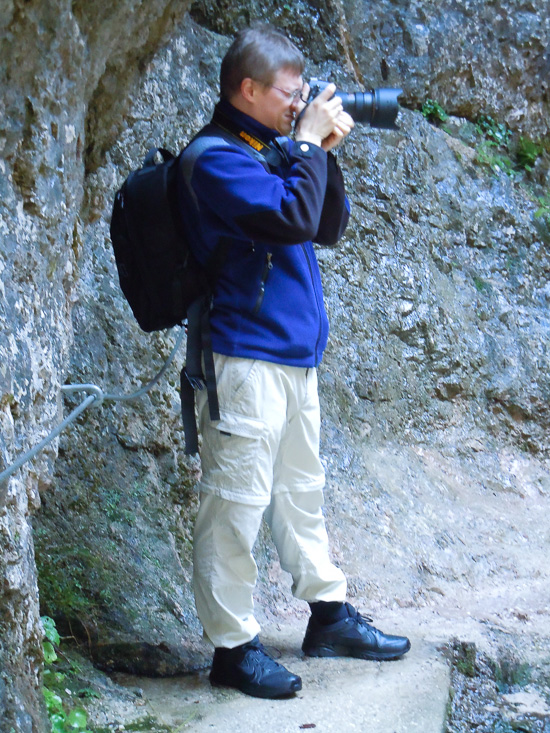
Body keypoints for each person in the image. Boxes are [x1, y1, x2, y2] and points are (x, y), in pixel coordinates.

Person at [181, 24, 410, 700]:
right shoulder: (215, 158)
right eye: (290, 93)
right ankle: (232, 647)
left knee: (300, 493)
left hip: (292, 355)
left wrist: (320, 150)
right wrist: (305, 144)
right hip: (241, 357)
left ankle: (329, 615)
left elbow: (323, 224)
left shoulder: (273, 147)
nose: (299, 101)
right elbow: (285, 220)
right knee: (235, 504)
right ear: (247, 89)